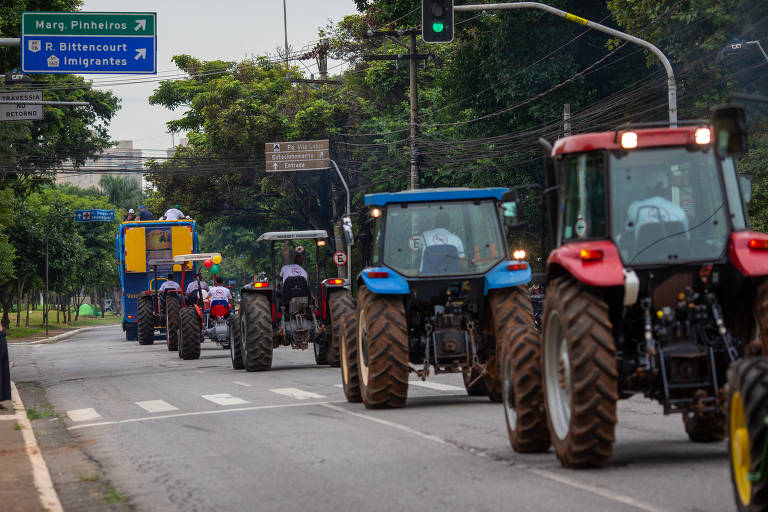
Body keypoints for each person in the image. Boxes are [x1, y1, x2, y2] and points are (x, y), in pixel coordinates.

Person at [625, 168, 689, 236]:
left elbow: (628, 231)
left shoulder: (635, 208)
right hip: (675, 247)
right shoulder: (678, 211)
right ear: (666, 188)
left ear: (647, 188)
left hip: (643, 247)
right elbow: (687, 238)